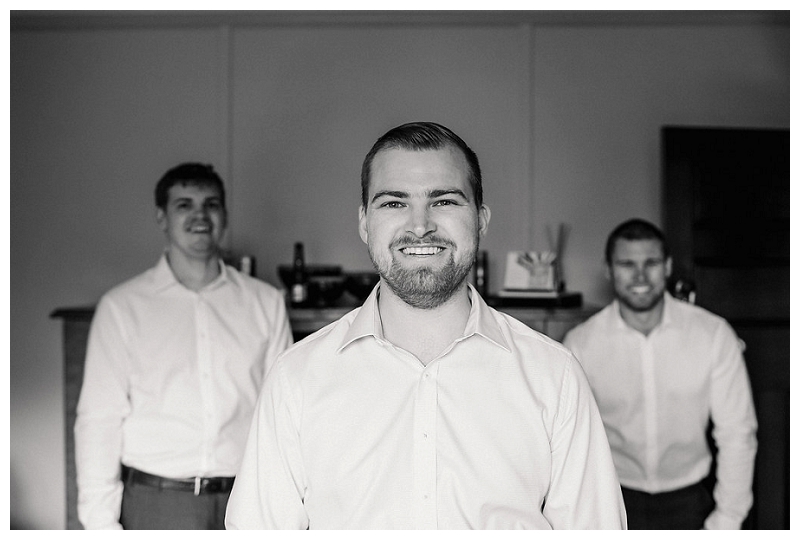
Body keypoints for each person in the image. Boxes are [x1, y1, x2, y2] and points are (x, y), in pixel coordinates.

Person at [225, 122, 626, 529]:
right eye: (394, 203)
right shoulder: (296, 378)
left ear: (481, 218)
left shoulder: (554, 376)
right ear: (365, 222)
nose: (420, 225)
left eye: (445, 201)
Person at [74, 163, 293, 529]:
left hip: (246, 500)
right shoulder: (122, 308)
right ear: (161, 217)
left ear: (223, 215)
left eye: (211, 204)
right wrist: (100, 526)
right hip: (156, 502)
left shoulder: (265, 302)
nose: (200, 216)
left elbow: (282, 413)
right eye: (184, 205)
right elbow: (99, 420)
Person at [563, 218, 758, 530]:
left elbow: (737, 433)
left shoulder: (713, 334)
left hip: (692, 500)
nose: (640, 275)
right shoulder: (581, 344)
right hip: (612, 499)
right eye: (627, 263)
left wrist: (727, 521)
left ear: (667, 267)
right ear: (609, 270)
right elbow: (569, 445)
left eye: (651, 262)